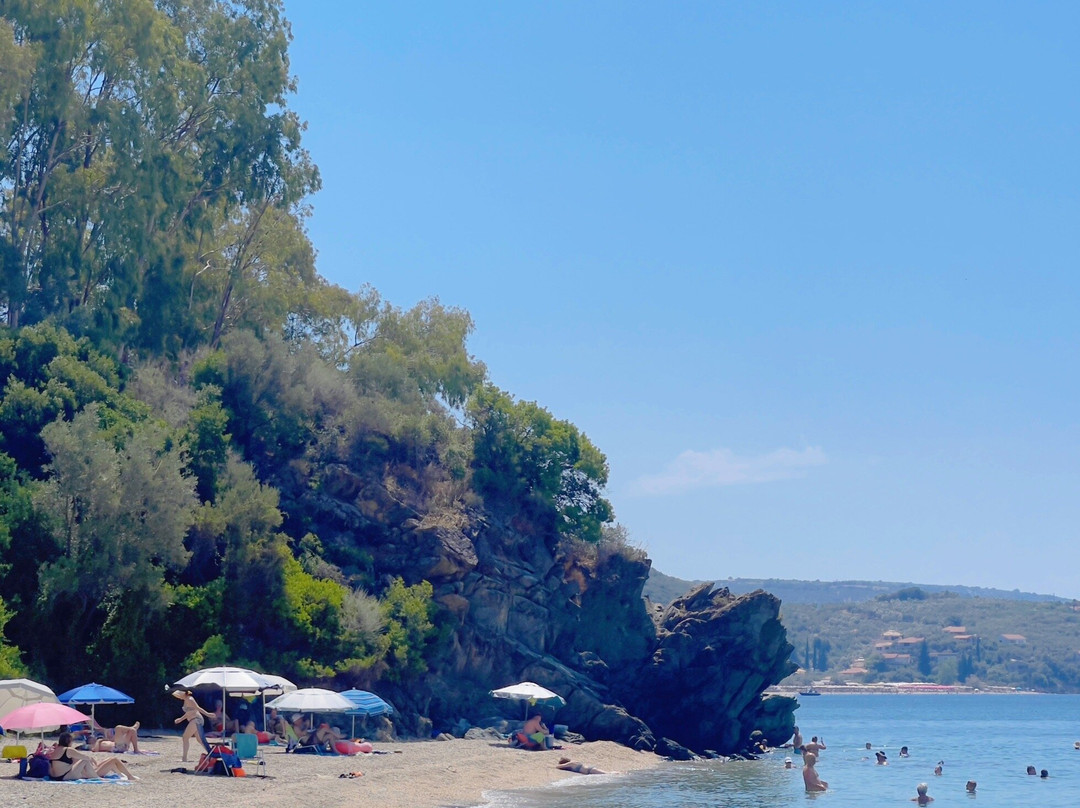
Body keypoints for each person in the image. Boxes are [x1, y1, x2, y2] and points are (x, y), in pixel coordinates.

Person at [48, 731, 137, 781]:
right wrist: (91, 760)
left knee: (110, 761)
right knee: (113, 760)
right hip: (68, 776)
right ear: (68, 741)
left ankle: (121, 775)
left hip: (62, 775)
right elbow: (85, 758)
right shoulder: (68, 750)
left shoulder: (56, 750)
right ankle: (128, 776)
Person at [175, 690, 214, 762]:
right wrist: (180, 719)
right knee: (200, 740)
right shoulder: (186, 700)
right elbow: (189, 713)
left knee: (185, 737)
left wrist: (208, 714)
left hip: (196, 719)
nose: (179, 697)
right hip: (194, 719)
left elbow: (197, 708)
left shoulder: (190, 699)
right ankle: (212, 753)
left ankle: (184, 758)